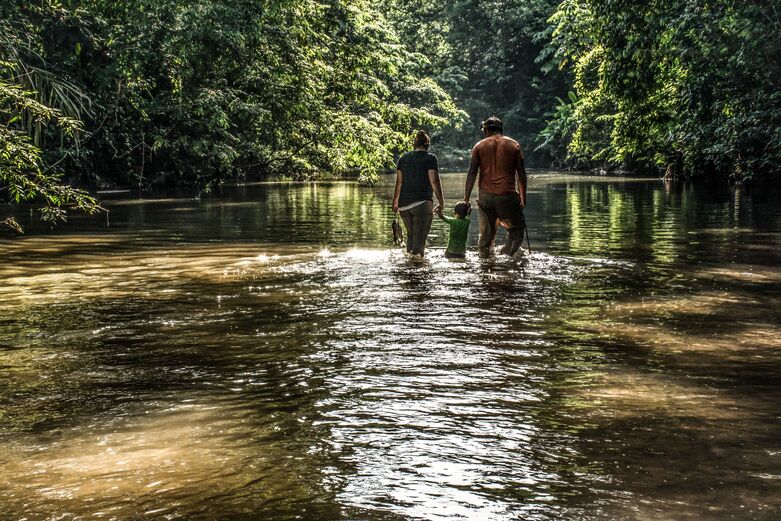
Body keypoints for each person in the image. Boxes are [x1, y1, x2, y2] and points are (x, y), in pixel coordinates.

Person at [463, 116, 527, 258]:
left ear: (486, 130)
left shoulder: (479, 146)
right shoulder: (514, 145)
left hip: (486, 197)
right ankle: (509, 256)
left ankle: (486, 263)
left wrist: (466, 199)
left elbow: (472, 172)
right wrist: (523, 197)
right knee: (515, 231)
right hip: (508, 195)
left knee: (486, 237)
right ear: (501, 130)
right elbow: (521, 174)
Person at [392, 130, 445, 256]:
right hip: (422, 203)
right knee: (420, 241)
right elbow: (435, 181)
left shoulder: (403, 158)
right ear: (427, 145)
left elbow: (399, 182)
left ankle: (409, 270)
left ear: (414, 144)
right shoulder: (430, 158)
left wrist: (395, 202)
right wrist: (441, 203)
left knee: (411, 236)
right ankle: (418, 271)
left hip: (404, 205)